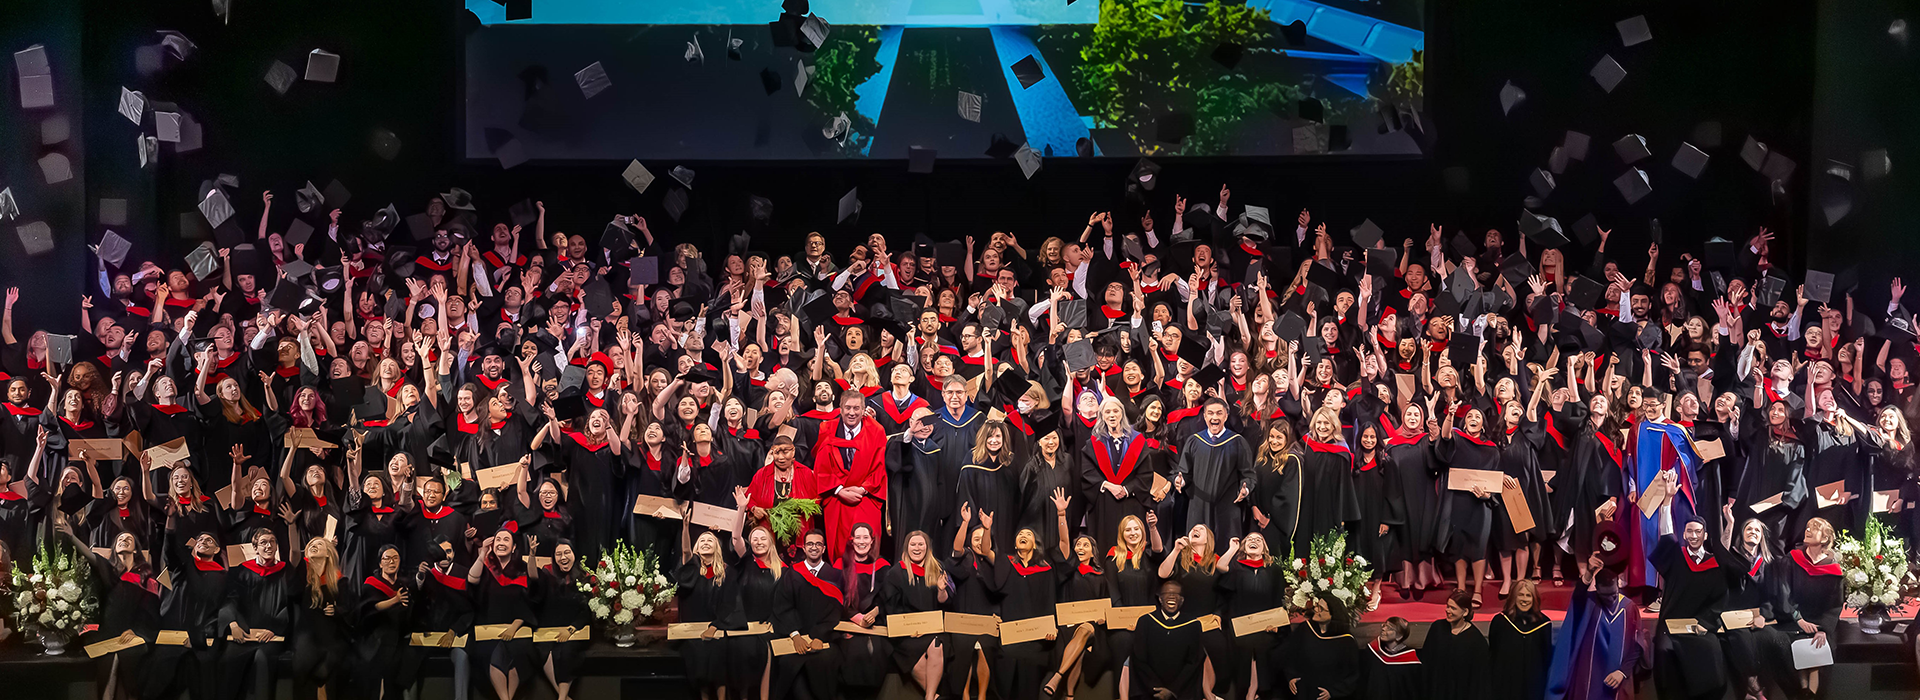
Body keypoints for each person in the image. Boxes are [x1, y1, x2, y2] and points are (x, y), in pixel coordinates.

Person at [1129, 580, 1204, 700]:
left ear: (1182, 600)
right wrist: (1156, 688)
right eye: (1167, 593)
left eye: (1176, 594)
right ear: (1160, 599)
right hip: (1149, 691)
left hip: (1181, 693)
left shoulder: (1193, 625)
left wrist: (1173, 690)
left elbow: (1194, 662)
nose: (1172, 596)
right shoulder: (1145, 622)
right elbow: (1139, 659)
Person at [1489, 579, 1553, 700]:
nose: (1524, 599)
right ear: (1514, 597)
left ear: (1534, 598)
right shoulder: (1501, 621)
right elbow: (1493, 653)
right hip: (1505, 684)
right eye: (1520, 595)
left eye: (1528, 595)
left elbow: (1546, 656)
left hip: (1533, 685)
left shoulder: (1544, 624)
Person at [1420, 590, 1490, 700]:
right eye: (1448, 606)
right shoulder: (1437, 628)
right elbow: (1426, 661)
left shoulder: (1476, 641)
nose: (1448, 611)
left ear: (1465, 612)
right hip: (1436, 692)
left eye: (1453, 608)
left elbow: (1478, 679)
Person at [1361, 617, 1422, 700]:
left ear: (1399, 636)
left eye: (1389, 628)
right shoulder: (1372, 651)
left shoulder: (1410, 662)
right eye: (1384, 625)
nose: (1383, 629)